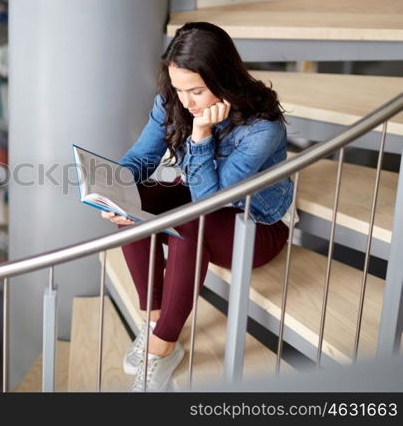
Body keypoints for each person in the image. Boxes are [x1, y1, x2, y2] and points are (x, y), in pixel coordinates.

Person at [101, 21, 294, 392]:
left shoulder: (262, 128)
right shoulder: (175, 101)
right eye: (178, 89)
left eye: (197, 91)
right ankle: (156, 319)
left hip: (258, 224)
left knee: (190, 225)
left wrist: (201, 136)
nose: (186, 102)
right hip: (206, 202)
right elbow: (142, 155)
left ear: (223, 80)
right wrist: (115, 188)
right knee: (133, 202)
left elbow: (209, 202)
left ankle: (163, 348)